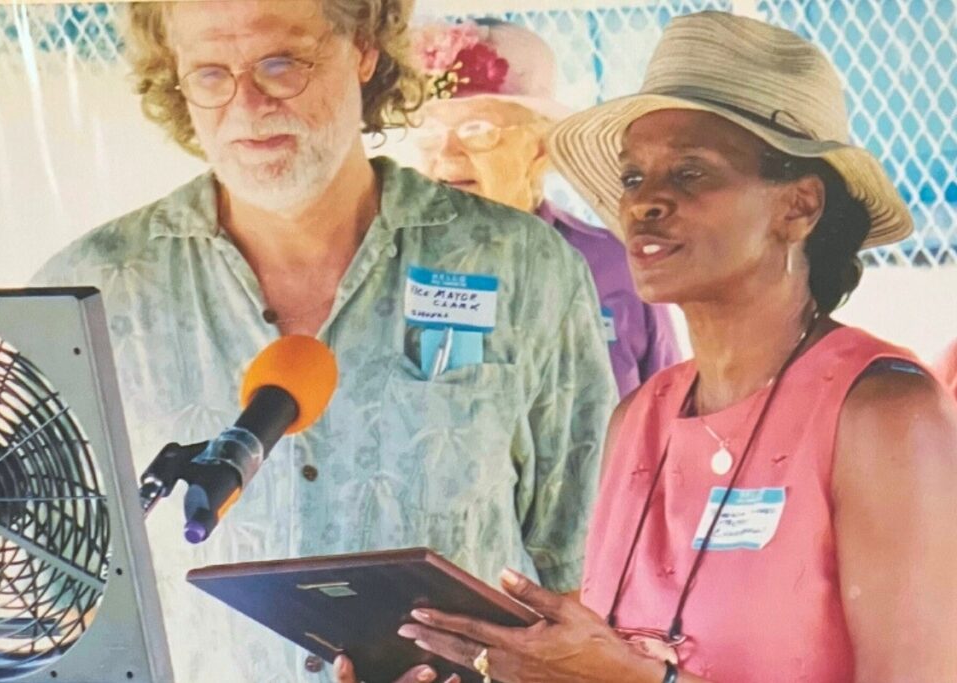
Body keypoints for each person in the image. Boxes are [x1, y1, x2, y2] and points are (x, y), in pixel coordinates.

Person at [336, 10, 957, 683]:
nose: (645, 204)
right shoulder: (640, 416)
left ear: (799, 206)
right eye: (633, 179)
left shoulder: (883, 413)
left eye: (691, 174)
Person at [32, 1, 616, 681]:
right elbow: (52, 600)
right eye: (210, 74)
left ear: (365, 47)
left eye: (281, 64)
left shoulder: (521, 267)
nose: (247, 105)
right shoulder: (90, 292)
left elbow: (583, 582)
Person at [404, 19, 680, 397]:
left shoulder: (616, 264)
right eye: (431, 133)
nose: (447, 155)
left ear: (540, 148)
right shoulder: (400, 267)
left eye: (477, 131)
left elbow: (673, 414)